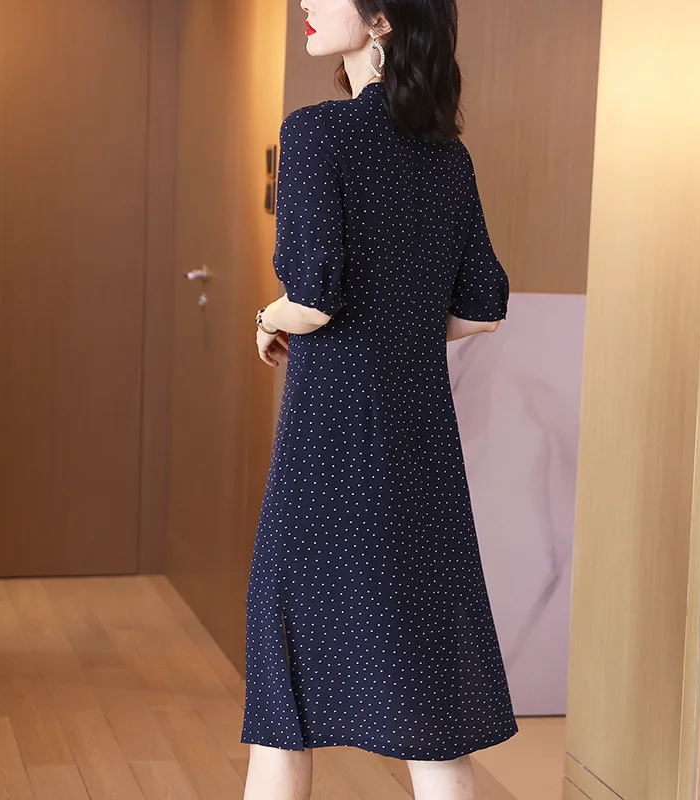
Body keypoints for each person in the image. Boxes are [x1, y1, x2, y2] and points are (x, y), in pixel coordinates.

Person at [243, 0, 517, 798]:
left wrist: (267, 319)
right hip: (420, 455)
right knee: (430, 717)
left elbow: (313, 297)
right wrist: (400, 328)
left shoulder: (316, 133)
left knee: (285, 702)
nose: (306, 2)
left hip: (326, 454)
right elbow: (482, 308)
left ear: (383, 20)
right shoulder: (448, 158)